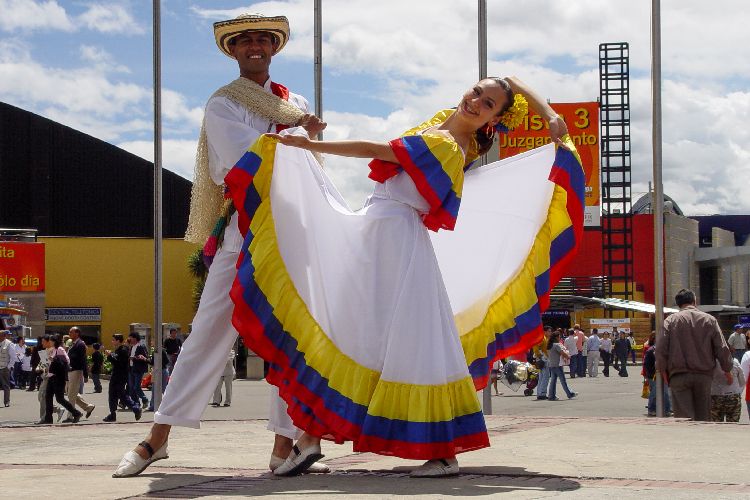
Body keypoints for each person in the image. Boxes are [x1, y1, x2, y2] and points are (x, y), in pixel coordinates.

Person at [226, 73, 580, 477]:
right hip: (382, 228)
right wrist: (549, 113)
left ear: (493, 121)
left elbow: (376, 149)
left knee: (380, 338)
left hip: (391, 236)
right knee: (364, 336)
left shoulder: (446, 143)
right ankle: (311, 438)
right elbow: (513, 80)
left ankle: (439, 452)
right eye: (477, 91)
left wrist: (310, 145)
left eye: (487, 104)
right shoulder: (448, 120)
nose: (475, 101)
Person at [113, 13, 329, 479]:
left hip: (292, 228)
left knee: (289, 338)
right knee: (208, 332)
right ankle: (157, 439)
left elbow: (309, 163)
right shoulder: (223, 104)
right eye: (245, 41)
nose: (255, 46)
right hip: (245, 227)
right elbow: (241, 162)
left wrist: (301, 138)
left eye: (263, 40)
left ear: (274, 48)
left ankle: (282, 446)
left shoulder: (295, 101)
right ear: (233, 50)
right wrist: (300, 135)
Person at [656, 289, 733, 421]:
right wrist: (727, 369)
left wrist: (663, 371)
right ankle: (703, 441)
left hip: (678, 376)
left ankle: (687, 441)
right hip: (704, 376)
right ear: (694, 301)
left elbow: (660, 349)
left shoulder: (670, 321)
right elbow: (721, 347)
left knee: (684, 419)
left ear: (678, 304)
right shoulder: (710, 320)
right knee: (703, 418)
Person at [41, 334, 81, 424]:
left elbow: (66, 362)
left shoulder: (60, 349)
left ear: (54, 341)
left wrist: (54, 359)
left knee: (60, 399)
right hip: (51, 376)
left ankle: (76, 413)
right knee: (48, 397)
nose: (49, 342)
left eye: (51, 340)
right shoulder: (53, 350)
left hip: (58, 377)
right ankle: (48, 419)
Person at [104, 333, 142, 422]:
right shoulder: (118, 350)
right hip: (116, 375)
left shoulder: (123, 350)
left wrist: (109, 356)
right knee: (113, 394)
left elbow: (119, 364)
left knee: (122, 394)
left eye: (113, 340)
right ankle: (112, 414)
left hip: (120, 376)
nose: (112, 341)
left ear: (118, 341)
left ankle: (136, 408)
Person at [65, 327, 95, 421]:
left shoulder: (80, 344)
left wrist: (86, 375)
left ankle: (70, 416)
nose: (69, 333)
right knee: (71, 393)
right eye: (69, 332)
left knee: (71, 395)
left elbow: (83, 360)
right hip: (69, 371)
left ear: (77, 333)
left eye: (71, 332)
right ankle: (88, 407)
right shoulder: (71, 344)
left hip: (76, 371)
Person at [643, 333, 672, 417]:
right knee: (654, 393)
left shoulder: (666, 350)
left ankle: (667, 410)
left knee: (666, 393)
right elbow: (646, 364)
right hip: (653, 376)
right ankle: (651, 409)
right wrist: (650, 374)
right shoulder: (650, 350)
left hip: (664, 375)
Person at [709, 356, 744, 422]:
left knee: (716, 425)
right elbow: (742, 381)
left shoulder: (711, 363)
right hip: (733, 396)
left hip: (715, 396)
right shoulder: (735, 362)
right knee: (733, 424)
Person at [546, 331, 577, 401]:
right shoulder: (557, 345)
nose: (560, 338)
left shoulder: (549, 346)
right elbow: (562, 353)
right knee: (563, 380)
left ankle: (551, 396)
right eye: (559, 336)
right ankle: (569, 393)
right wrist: (568, 356)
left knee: (553, 381)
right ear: (557, 337)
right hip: (558, 365)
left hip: (552, 365)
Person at [127, 333, 150, 408]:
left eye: (131, 338)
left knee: (136, 386)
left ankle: (145, 399)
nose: (130, 340)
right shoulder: (132, 347)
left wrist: (134, 358)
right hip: (131, 368)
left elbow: (145, 357)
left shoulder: (141, 347)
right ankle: (136, 403)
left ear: (135, 338)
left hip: (138, 369)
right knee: (131, 387)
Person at [535, 327, 551, 400]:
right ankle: (542, 393)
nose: (550, 333)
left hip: (542, 359)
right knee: (545, 377)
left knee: (541, 377)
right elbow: (536, 347)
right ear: (545, 331)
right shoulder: (542, 338)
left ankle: (539, 393)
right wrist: (540, 356)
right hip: (543, 359)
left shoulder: (543, 338)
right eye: (549, 331)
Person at [0, 330, 13, 406]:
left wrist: (8, 367)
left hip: (5, 367)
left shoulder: (9, 344)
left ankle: (7, 401)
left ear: (4, 336)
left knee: (5, 386)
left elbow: (13, 357)